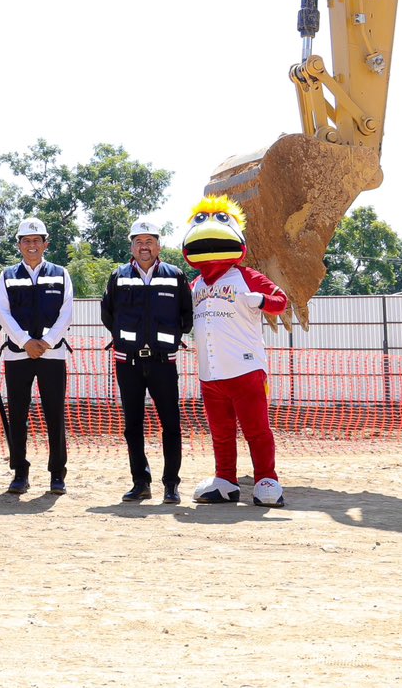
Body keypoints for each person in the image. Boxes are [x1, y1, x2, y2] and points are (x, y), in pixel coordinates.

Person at [180, 195, 290, 507]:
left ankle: (266, 479)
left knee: (257, 430)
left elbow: (281, 300)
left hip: (246, 369)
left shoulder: (246, 275)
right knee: (221, 433)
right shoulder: (196, 283)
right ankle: (226, 480)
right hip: (210, 373)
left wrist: (263, 301)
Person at [103, 218, 193, 504]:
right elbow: (108, 314)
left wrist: (164, 339)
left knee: (171, 424)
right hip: (127, 362)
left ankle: (171, 485)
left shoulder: (175, 275)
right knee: (133, 425)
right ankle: (140, 482)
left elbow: (186, 316)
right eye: (139, 242)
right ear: (131, 246)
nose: (144, 247)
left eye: (149, 241)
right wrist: (127, 339)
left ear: (159, 245)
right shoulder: (118, 276)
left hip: (163, 362)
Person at [0, 216, 73, 495]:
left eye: (36, 241)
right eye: (26, 241)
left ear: (45, 244)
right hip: (18, 355)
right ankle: (19, 472)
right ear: (19, 245)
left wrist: (47, 342)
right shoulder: (7, 275)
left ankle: (57, 475)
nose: (31, 245)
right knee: (17, 414)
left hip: (53, 354)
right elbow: (3, 314)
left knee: (55, 414)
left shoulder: (61, 273)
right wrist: (26, 341)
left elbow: (66, 313)